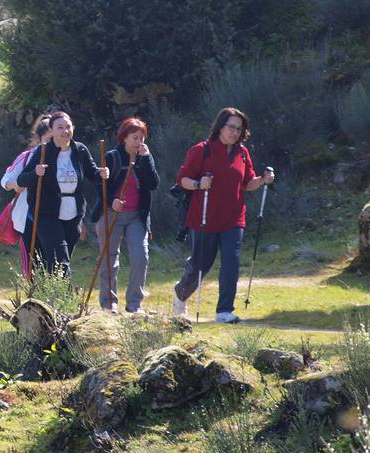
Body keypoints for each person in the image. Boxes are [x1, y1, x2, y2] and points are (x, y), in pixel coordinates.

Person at [172, 107, 275, 323]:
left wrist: (263, 180)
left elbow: (248, 183)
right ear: (220, 127)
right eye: (231, 127)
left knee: (231, 261)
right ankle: (181, 293)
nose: (235, 132)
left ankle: (224, 311)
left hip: (233, 218)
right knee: (201, 265)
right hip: (204, 218)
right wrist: (200, 184)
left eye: (239, 129)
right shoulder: (202, 150)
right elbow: (183, 180)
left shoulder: (243, 153)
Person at [16, 111, 109, 279]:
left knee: (60, 260)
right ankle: (64, 299)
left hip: (74, 214)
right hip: (47, 214)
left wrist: (102, 173)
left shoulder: (80, 149)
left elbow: (92, 174)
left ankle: (50, 294)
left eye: (68, 127)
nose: (65, 131)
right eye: (60, 127)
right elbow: (22, 179)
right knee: (60, 257)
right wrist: (35, 173)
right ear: (51, 130)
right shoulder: (43, 151)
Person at [88, 117, 160, 314]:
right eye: (135, 138)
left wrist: (147, 160)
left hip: (137, 216)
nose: (139, 142)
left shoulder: (145, 157)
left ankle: (134, 304)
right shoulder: (112, 157)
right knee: (109, 259)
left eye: (141, 138)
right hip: (111, 215)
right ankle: (108, 303)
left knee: (141, 256)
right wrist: (111, 201)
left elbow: (153, 184)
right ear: (124, 138)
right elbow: (99, 184)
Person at [0, 114, 52, 282]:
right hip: (27, 218)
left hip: (54, 218)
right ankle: (33, 301)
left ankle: (52, 299)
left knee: (53, 262)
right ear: (39, 138)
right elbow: (5, 180)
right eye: (49, 139)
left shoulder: (67, 159)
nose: (53, 144)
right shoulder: (26, 157)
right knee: (31, 266)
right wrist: (15, 185)